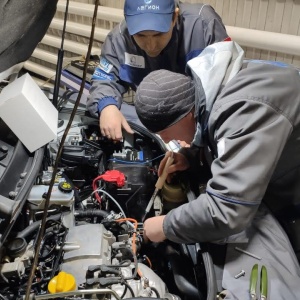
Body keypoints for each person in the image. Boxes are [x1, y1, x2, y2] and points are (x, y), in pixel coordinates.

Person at [134, 41, 300, 299]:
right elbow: (227, 139)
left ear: (185, 115)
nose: (170, 141)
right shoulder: (214, 90)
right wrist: (192, 155)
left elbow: (227, 210)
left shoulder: (243, 107)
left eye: (166, 133)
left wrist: (164, 225)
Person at [87, 0, 230, 141]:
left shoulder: (204, 25)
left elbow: (225, 89)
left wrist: (198, 137)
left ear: (174, 17)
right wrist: (107, 106)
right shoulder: (118, 40)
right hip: (156, 125)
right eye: (141, 35)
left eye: (158, 34)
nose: (151, 46)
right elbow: (104, 79)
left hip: (197, 124)